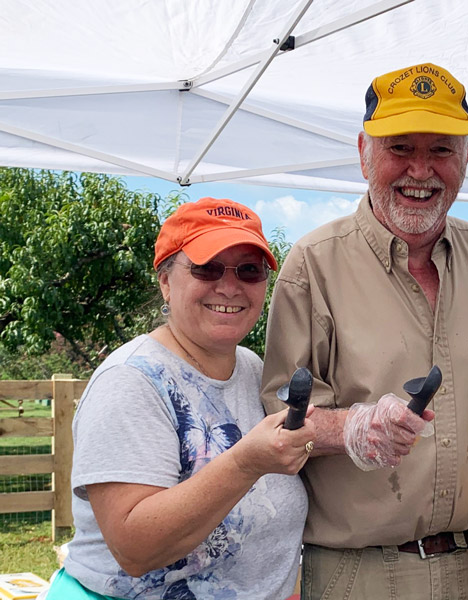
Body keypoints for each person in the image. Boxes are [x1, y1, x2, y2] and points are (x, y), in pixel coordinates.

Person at [260, 62, 468, 599]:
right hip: (356, 574)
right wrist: (352, 427)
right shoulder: (313, 263)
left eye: (441, 149)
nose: (421, 170)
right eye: (400, 148)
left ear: (467, 159)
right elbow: (279, 418)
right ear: (364, 153)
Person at [48, 197, 315, 599]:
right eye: (206, 267)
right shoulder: (132, 380)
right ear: (166, 281)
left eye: (249, 269)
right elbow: (135, 548)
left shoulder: (253, 368)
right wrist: (246, 463)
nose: (230, 286)